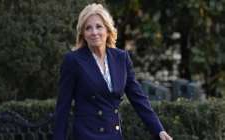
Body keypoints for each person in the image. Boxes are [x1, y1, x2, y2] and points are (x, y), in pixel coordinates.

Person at [53, 3, 173, 140]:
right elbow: (63, 107)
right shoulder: (73, 60)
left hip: (114, 135)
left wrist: (159, 130)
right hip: (86, 135)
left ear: (107, 30)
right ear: (83, 34)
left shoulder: (121, 58)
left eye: (99, 26)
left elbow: (138, 98)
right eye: (88, 28)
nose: (94, 32)